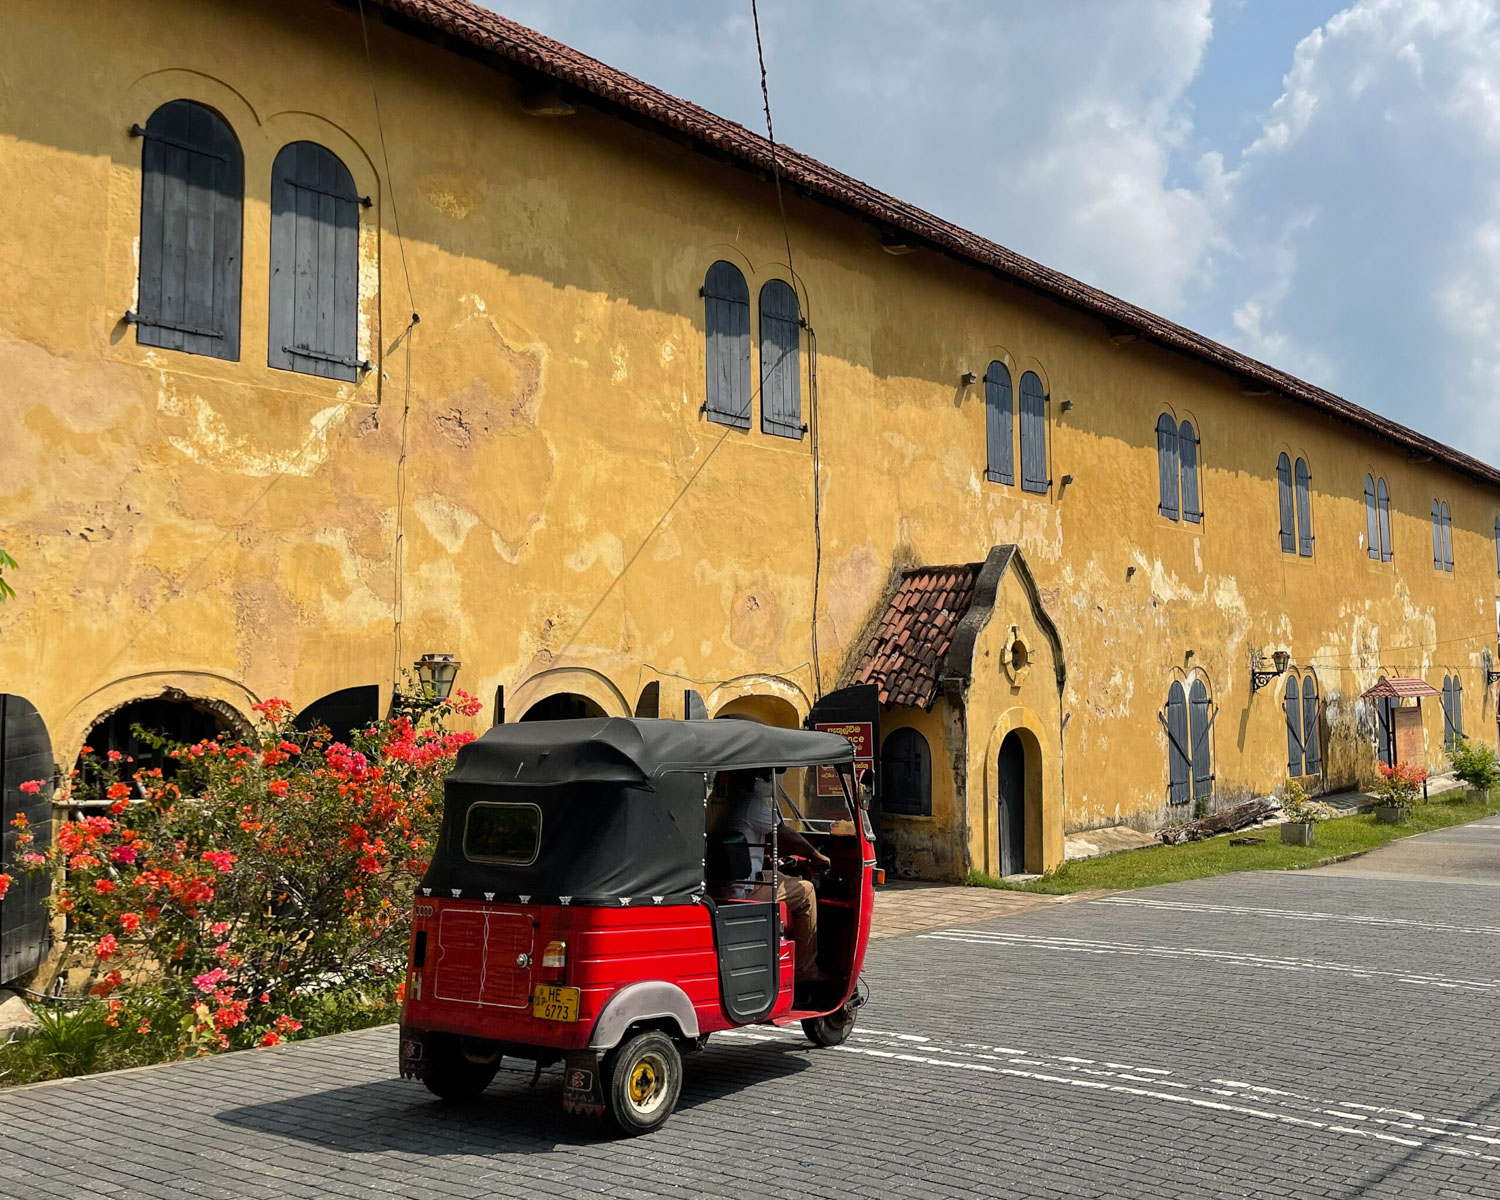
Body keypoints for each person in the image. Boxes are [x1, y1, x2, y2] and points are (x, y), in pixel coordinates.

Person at [719, 770, 834, 985]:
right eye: (766, 778)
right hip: (743, 888)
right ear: (756, 780)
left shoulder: (721, 802)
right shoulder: (752, 803)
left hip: (722, 884)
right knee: (806, 890)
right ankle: (804, 969)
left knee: (779, 875)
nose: (769, 783)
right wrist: (816, 856)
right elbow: (786, 836)